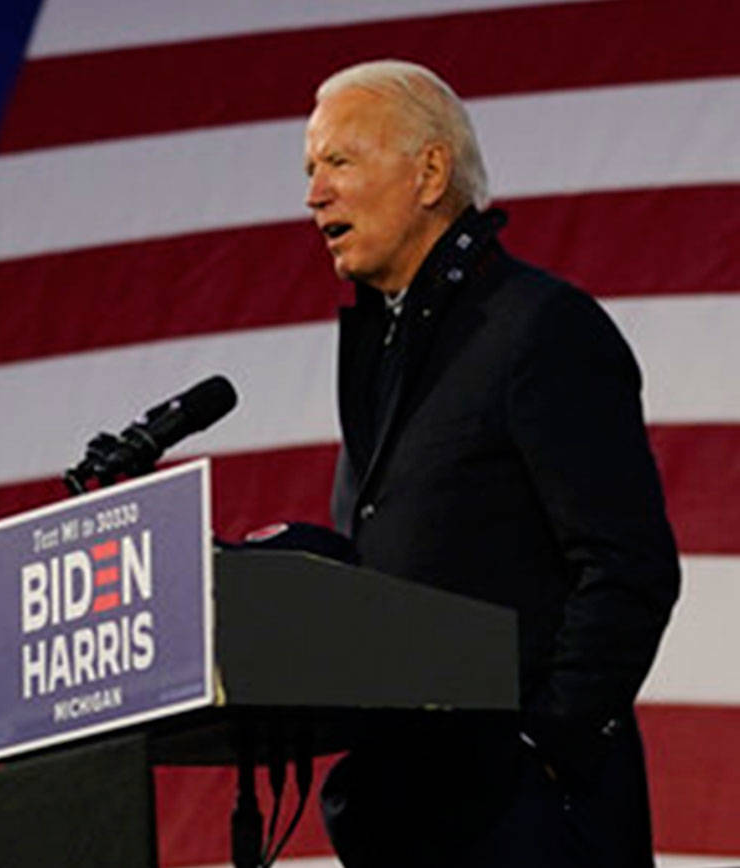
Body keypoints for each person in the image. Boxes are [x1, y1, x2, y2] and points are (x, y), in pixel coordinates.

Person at [305, 60, 680, 867]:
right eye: (310, 170)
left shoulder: (539, 329)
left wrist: (544, 748)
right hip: (409, 820)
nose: (314, 193)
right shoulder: (387, 362)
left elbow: (628, 565)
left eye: (339, 160)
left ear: (429, 171)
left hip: (528, 825)